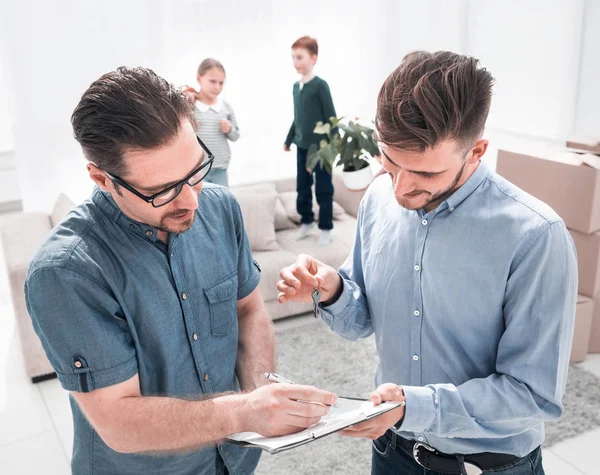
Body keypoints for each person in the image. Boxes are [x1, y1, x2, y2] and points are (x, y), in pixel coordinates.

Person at [24, 66, 337, 475]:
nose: (190, 201)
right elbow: (120, 423)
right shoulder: (67, 273)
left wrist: (262, 388)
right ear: (102, 178)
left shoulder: (221, 208)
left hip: (237, 458)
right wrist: (244, 411)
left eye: (195, 172)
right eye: (162, 191)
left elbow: (248, 311)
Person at [277, 51, 577, 475]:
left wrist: (412, 407)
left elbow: (532, 394)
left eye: (425, 174)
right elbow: (363, 318)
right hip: (391, 453)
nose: (401, 187)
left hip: (486, 466)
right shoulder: (379, 199)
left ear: (476, 151)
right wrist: (334, 290)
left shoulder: (535, 236)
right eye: (390, 161)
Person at [284, 36, 337, 246]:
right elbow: (298, 118)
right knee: (302, 187)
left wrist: (333, 148)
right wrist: (289, 140)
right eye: (293, 58)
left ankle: (325, 227)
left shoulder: (320, 86)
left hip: (322, 149)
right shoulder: (296, 88)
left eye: (300, 57)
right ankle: (306, 221)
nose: (295, 62)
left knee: (324, 188)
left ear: (313, 58)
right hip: (302, 148)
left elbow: (331, 117)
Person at [182, 58, 240, 187]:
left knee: (222, 200)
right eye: (212, 81)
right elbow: (178, 135)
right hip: (198, 169)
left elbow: (236, 136)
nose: (217, 87)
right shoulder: (191, 106)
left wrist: (229, 129)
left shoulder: (226, 107)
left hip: (221, 166)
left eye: (221, 83)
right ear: (199, 78)